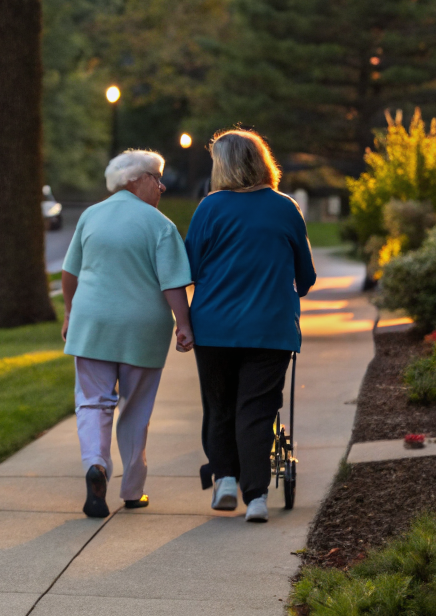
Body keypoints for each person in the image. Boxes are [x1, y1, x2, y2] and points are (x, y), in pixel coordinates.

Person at [184, 129, 316, 522]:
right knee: (257, 409)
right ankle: (256, 496)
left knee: (219, 405)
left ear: (221, 166)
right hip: (270, 329)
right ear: (261, 161)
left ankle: (225, 479)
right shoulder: (285, 207)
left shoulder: (209, 208)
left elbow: (188, 268)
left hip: (214, 328)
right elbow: (305, 278)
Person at [61, 149, 194, 518]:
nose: (162, 186)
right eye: (157, 177)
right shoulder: (160, 225)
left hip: (91, 324)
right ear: (135, 179)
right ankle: (133, 491)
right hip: (142, 328)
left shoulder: (90, 216)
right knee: (136, 408)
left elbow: (70, 273)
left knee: (92, 401)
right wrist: (184, 325)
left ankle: (96, 465)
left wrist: (69, 312)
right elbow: (173, 283)